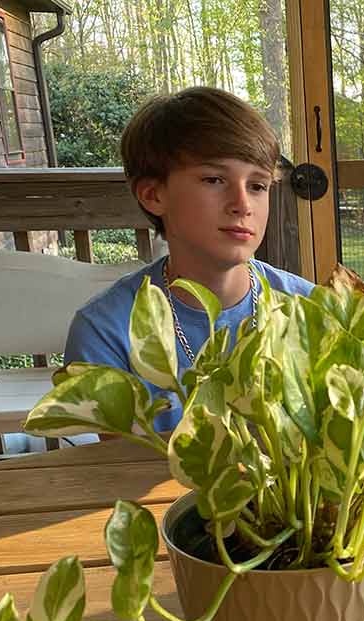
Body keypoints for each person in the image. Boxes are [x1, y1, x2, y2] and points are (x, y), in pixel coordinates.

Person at [65, 87, 315, 433]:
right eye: (214, 180)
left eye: (257, 186)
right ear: (153, 195)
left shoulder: (311, 309)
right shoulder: (106, 331)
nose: (243, 204)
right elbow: (120, 461)